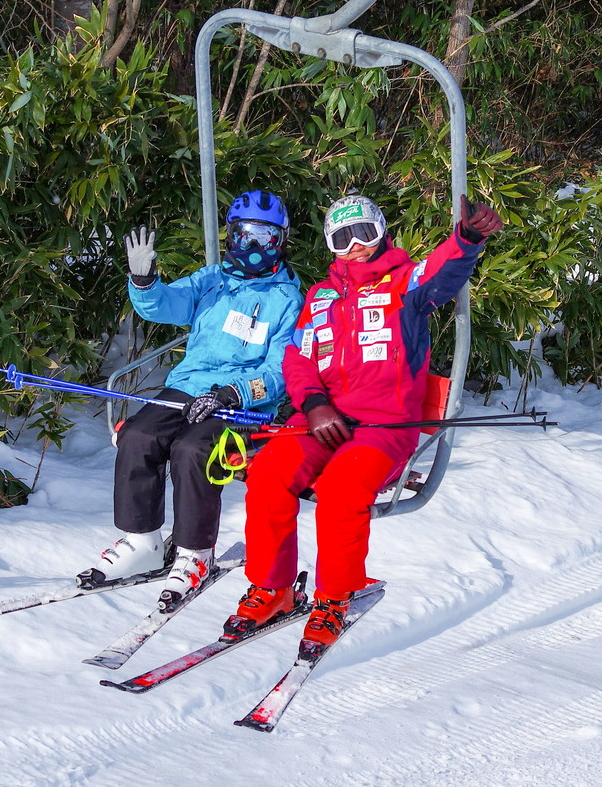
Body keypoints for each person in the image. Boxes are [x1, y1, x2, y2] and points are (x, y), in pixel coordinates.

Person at [226, 193, 503, 649]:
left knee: (340, 492)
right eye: (342, 237)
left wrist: (467, 238)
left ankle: (336, 595)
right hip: (321, 422)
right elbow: (298, 358)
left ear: (381, 231)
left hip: (383, 427)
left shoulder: (406, 284)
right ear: (329, 245)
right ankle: (272, 587)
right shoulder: (320, 297)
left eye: (364, 233)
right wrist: (314, 403)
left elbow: (443, 272)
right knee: (269, 473)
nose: (355, 245)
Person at [78, 190, 303, 608]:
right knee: (139, 436)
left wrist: (236, 392)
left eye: (266, 237)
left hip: (241, 402)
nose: (254, 246)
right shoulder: (211, 279)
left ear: (281, 241)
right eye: (245, 234)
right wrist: (144, 282)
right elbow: (165, 305)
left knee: (194, 448)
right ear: (232, 234)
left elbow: (281, 370)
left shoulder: (287, 298)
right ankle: (142, 539)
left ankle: (194, 551)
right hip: (189, 384)